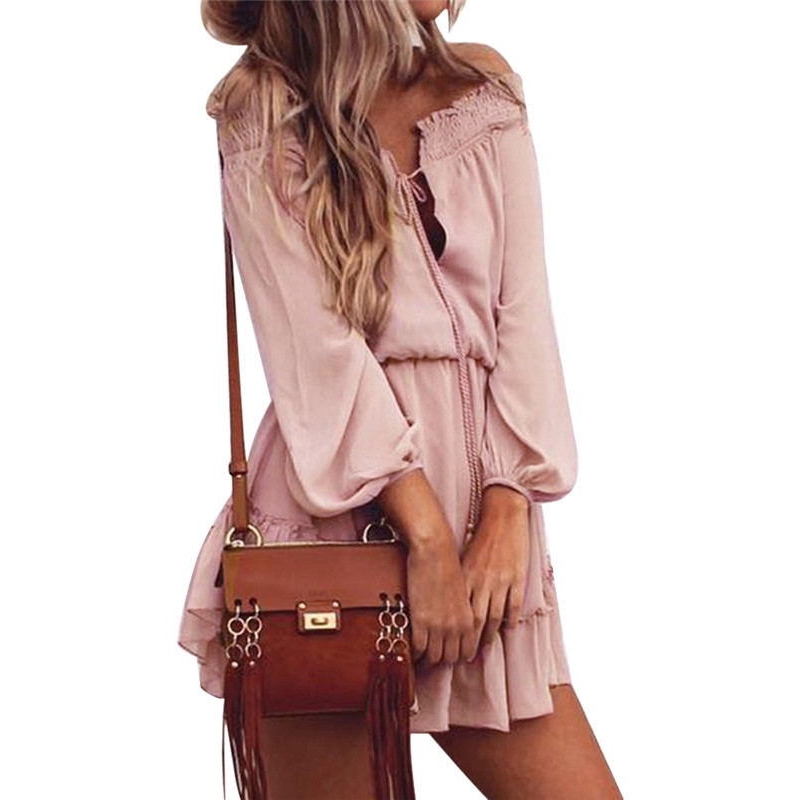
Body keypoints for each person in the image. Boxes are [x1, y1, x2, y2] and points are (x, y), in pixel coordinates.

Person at [179, 1, 623, 797]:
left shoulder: (482, 89)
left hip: (485, 549)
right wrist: (426, 541)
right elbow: (318, 358)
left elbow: (525, 319)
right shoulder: (261, 109)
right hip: (330, 548)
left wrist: (509, 506)